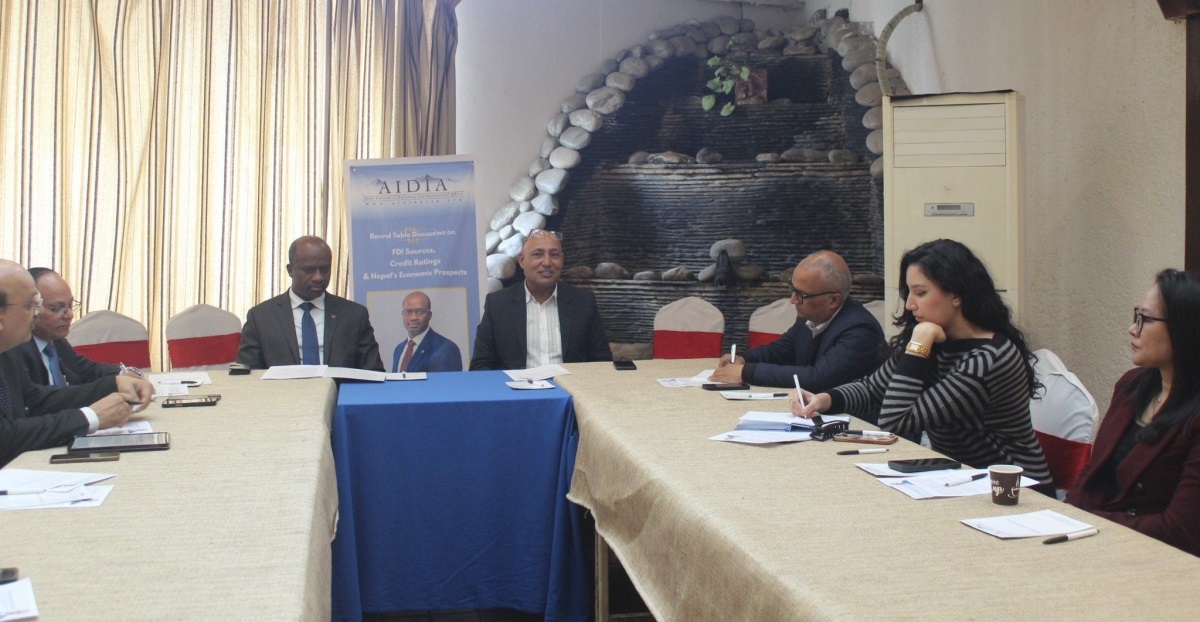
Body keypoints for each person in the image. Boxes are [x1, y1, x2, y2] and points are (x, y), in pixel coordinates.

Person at [790, 239, 1051, 484]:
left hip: (1013, 486)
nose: (910, 305)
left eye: (921, 293)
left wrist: (918, 348)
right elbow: (873, 389)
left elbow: (896, 421)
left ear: (956, 295)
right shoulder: (935, 336)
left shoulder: (988, 358)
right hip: (960, 476)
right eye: (909, 293)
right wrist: (824, 399)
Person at [1066, 269, 1200, 556]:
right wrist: (1064, 517)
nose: (1132, 329)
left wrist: (1091, 523)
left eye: (1146, 320)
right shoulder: (1131, 385)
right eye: (1136, 316)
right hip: (1098, 536)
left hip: (1157, 555)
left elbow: (1180, 530)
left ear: (1184, 328)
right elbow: (1093, 473)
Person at [0, 260, 154, 467]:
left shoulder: (7, 351)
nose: (36, 314)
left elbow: (37, 401)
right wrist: (89, 417)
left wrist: (113, 383)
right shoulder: (14, 348)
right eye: (30, 306)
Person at [708, 250, 886, 390]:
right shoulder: (810, 317)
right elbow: (779, 351)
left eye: (801, 294)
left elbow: (819, 379)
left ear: (833, 300)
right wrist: (742, 359)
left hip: (855, 420)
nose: (793, 300)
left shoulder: (860, 330)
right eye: (793, 289)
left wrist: (746, 372)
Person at [470, 230, 612, 370]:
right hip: (516, 385)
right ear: (522, 260)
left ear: (562, 260)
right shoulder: (498, 304)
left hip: (570, 384)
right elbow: (480, 366)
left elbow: (602, 363)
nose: (547, 262)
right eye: (538, 254)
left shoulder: (583, 302)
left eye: (554, 255)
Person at [237, 236, 384, 371]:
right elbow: (248, 376)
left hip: (338, 391)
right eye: (309, 270)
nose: (318, 277)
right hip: (282, 391)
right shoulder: (261, 317)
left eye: (324, 270)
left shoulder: (354, 315)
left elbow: (373, 372)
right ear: (290, 270)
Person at [12, 268, 130, 387]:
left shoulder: (57, 342)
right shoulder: (15, 350)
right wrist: (113, 384)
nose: (69, 315)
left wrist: (125, 374)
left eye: (70, 305)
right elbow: (42, 397)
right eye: (56, 308)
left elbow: (88, 371)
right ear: (31, 308)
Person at [392, 291, 462, 373]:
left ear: (429, 315)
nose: (413, 317)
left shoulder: (447, 349)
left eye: (420, 311)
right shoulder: (399, 349)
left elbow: (448, 381)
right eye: (408, 312)